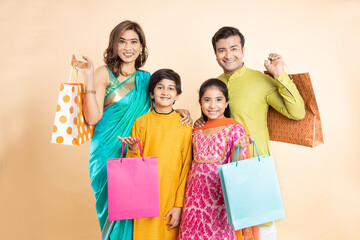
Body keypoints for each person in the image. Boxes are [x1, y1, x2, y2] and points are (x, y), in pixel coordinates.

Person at [71, 21, 191, 240]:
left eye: (134, 41)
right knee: (112, 215)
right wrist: (88, 77)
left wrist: (180, 112)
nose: (128, 47)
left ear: (141, 47)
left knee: (135, 213)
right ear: (114, 46)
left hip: (137, 153)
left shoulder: (147, 80)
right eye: (122, 41)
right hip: (107, 152)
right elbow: (92, 117)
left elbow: (162, 101)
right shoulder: (103, 74)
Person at [195, 27, 306, 239]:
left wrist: (280, 74)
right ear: (215, 53)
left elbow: (297, 112)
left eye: (234, 48)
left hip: (254, 169)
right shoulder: (214, 87)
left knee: (262, 231)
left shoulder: (261, 80)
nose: (228, 55)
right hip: (218, 176)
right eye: (221, 50)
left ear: (243, 50)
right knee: (222, 230)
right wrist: (201, 120)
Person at [179, 79, 259, 240]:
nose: (212, 105)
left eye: (219, 100)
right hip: (193, 203)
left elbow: (238, 171)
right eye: (207, 100)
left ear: (227, 102)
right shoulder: (196, 131)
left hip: (220, 203)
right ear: (200, 102)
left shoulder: (235, 129)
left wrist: (238, 148)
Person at [119, 69, 193, 240]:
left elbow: (186, 168)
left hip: (171, 198)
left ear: (177, 95)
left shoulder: (184, 125)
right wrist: (133, 149)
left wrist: (179, 205)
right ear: (152, 94)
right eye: (160, 88)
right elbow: (133, 168)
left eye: (171, 88)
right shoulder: (141, 123)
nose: (165, 92)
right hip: (145, 198)